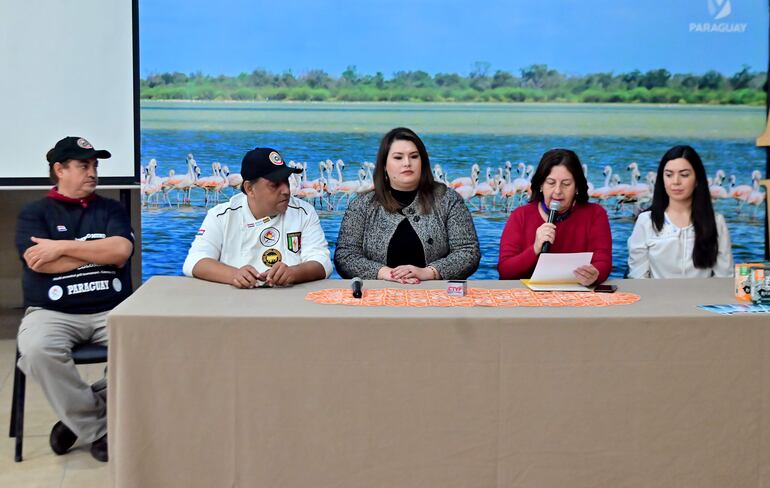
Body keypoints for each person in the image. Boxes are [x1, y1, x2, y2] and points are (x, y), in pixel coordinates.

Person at [15, 136, 134, 462]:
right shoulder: (34, 214)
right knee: (37, 349)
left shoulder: (110, 208)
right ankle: (96, 429)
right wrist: (97, 253)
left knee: (149, 345)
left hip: (111, 310)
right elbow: (40, 262)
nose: (93, 172)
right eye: (84, 165)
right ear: (60, 169)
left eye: (95, 165)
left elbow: (121, 250)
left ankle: (74, 418)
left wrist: (61, 246)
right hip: (52, 312)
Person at [334, 127, 480, 283]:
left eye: (414, 156)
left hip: (436, 296)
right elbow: (345, 256)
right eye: (398, 158)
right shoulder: (362, 205)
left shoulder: (448, 199)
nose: (407, 163)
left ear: (422, 161)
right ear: (384, 164)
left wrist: (429, 272)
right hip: (377, 296)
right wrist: (386, 274)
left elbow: (468, 252)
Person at [183, 147, 332, 287]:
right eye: (275, 184)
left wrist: (293, 273)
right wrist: (234, 275)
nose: (286, 190)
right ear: (249, 189)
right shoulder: (221, 215)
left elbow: (322, 262)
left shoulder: (304, 212)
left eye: (286, 181)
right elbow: (195, 261)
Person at [498, 148, 612, 285]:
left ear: (577, 187)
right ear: (541, 184)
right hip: (527, 300)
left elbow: (603, 261)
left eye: (566, 184)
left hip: (577, 298)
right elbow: (505, 270)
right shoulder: (521, 216)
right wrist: (535, 248)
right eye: (551, 183)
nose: (557, 191)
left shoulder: (595, 214)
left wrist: (595, 274)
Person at [627, 145, 733, 278]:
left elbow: (724, 277)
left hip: (705, 298)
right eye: (669, 175)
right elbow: (638, 276)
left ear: (697, 179)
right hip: (657, 297)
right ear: (662, 179)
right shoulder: (646, 221)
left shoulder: (716, 222)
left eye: (684, 175)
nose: (676, 182)